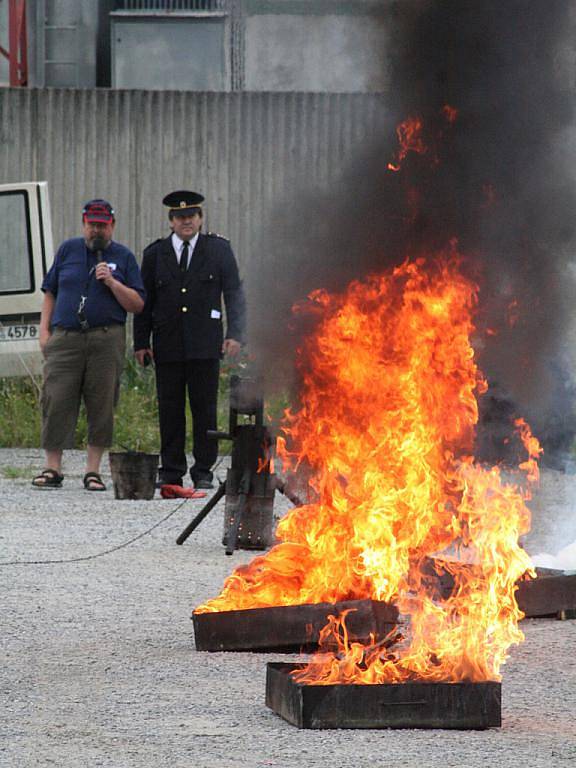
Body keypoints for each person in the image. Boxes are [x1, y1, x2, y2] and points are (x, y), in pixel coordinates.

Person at [133, 190, 246, 489]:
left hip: (204, 343)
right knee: (170, 409)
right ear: (171, 221)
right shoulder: (155, 254)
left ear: (200, 218)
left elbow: (234, 293)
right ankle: (171, 470)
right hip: (168, 343)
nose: (187, 222)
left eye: (192, 216)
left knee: (204, 408)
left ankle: (203, 470)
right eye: (180, 217)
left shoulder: (218, 250)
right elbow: (145, 301)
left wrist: (235, 334)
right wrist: (141, 342)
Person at [32, 199, 145, 491]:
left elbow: (137, 304)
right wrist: (44, 331)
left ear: (112, 226)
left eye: (102, 225)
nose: (97, 230)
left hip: (105, 338)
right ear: (84, 224)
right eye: (92, 224)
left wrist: (112, 282)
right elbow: (50, 291)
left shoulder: (124, 257)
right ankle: (52, 467)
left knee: (102, 401)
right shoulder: (68, 250)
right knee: (56, 399)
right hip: (65, 338)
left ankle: (92, 470)